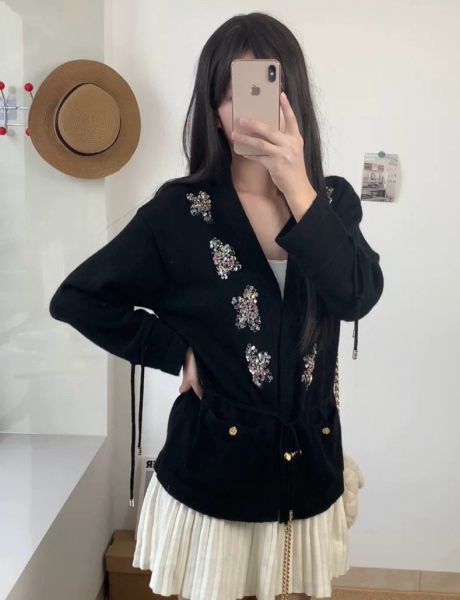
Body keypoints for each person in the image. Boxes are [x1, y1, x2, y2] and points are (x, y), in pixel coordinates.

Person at [49, 12, 384, 600]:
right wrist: (175, 351)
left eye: (261, 88)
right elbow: (78, 297)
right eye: (229, 94)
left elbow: (356, 295)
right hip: (215, 477)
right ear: (212, 106)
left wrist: (296, 185)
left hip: (308, 471)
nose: (244, 110)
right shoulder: (180, 212)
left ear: (292, 96)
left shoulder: (331, 201)